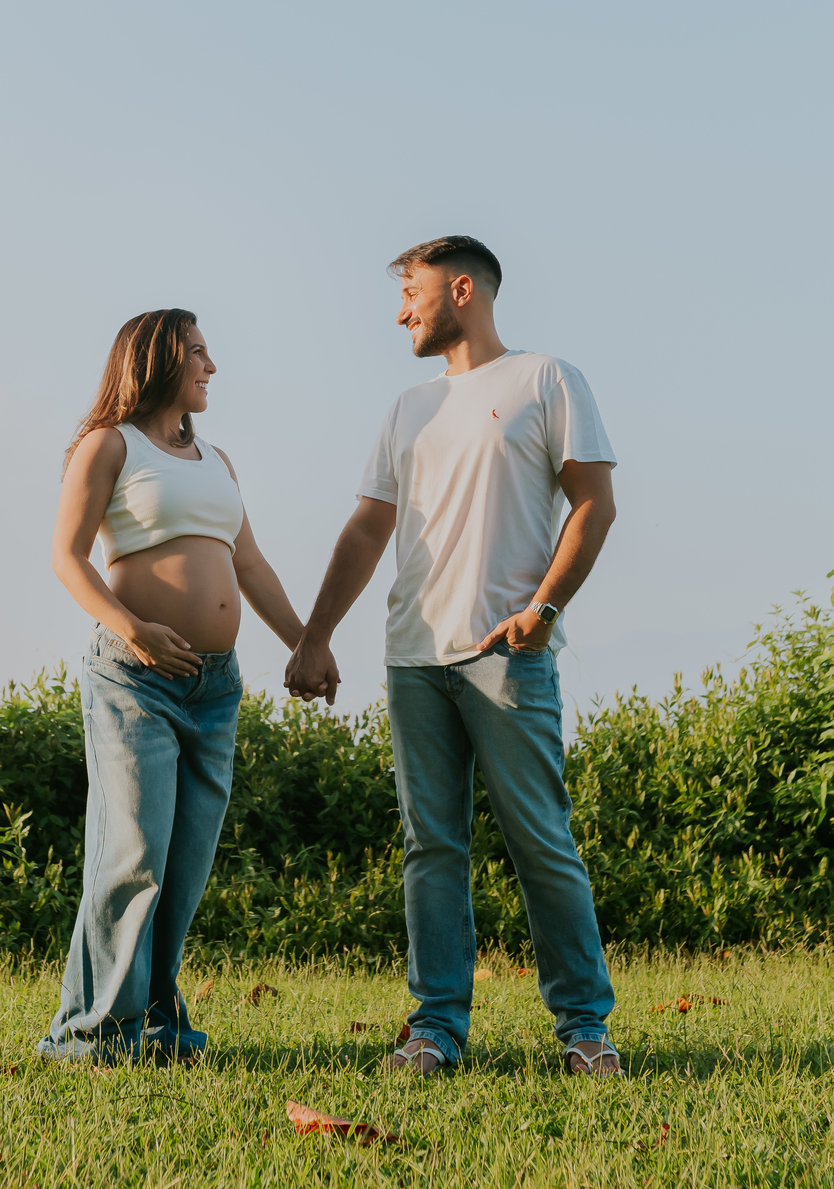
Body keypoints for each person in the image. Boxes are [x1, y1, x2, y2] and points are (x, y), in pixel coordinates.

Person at [285, 236, 620, 1077]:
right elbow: (367, 530)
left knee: (540, 840)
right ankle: (437, 1029)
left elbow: (595, 504)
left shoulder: (547, 379)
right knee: (432, 847)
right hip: (413, 659)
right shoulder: (407, 408)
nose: (402, 310)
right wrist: (316, 633)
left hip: (505, 652)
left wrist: (544, 610)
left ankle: (585, 1030)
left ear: (461, 289)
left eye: (412, 291)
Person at [39, 308, 327, 1065]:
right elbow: (69, 559)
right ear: (160, 359)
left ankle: (160, 1026)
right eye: (199, 352)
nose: (212, 366)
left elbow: (251, 565)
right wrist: (134, 628)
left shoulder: (218, 461)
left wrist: (305, 642)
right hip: (135, 679)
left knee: (184, 863)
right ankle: (91, 1034)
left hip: (214, 688)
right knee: (131, 852)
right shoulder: (108, 445)